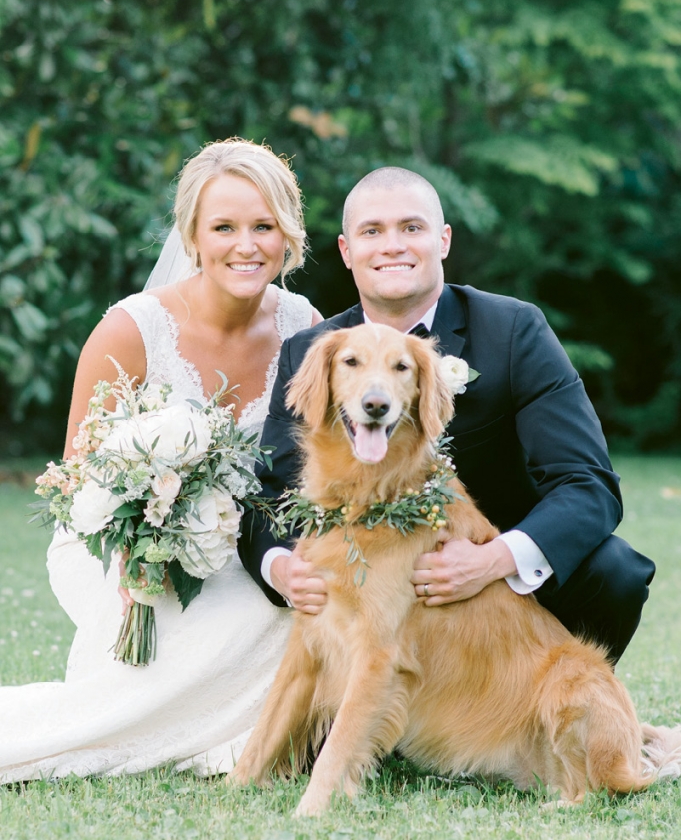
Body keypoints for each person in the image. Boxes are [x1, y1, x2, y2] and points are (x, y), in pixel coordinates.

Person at [238, 166, 655, 665]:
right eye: (372, 231)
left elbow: (588, 484)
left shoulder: (514, 330)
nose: (392, 245)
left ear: (443, 240)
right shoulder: (310, 351)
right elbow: (270, 490)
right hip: (366, 590)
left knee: (617, 569)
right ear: (348, 252)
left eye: (411, 228)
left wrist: (491, 561)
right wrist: (281, 566)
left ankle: (553, 718)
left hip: (501, 593)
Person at [0, 138, 322, 782]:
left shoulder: (303, 326)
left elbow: (304, 471)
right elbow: (75, 481)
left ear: (288, 236)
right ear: (193, 238)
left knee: (278, 608)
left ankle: (258, 732)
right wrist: (140, 549)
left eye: (264, 226)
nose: (246, 245)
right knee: (201, 628)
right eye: (224, 227)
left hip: (244, 541)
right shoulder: (132, 330)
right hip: (114, 538)